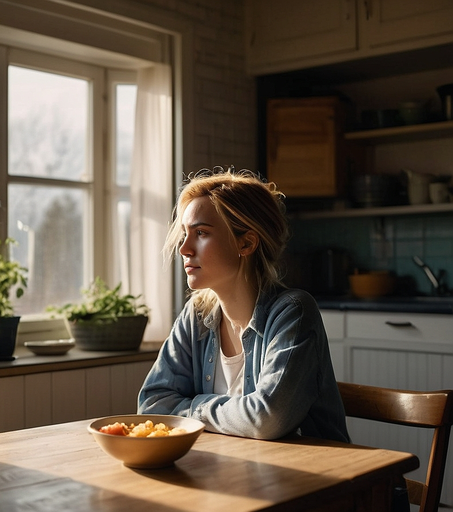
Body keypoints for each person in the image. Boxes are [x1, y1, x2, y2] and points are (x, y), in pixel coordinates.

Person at [138, 166, 350, 442]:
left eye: (201, 233)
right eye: (185, 233)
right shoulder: (197, 316)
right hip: (234, 470)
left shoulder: (293, 312)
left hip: (314, 476)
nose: (184, 248)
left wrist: (192, 407)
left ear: (247, 243)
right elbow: (152, 404)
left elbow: (265, 419)